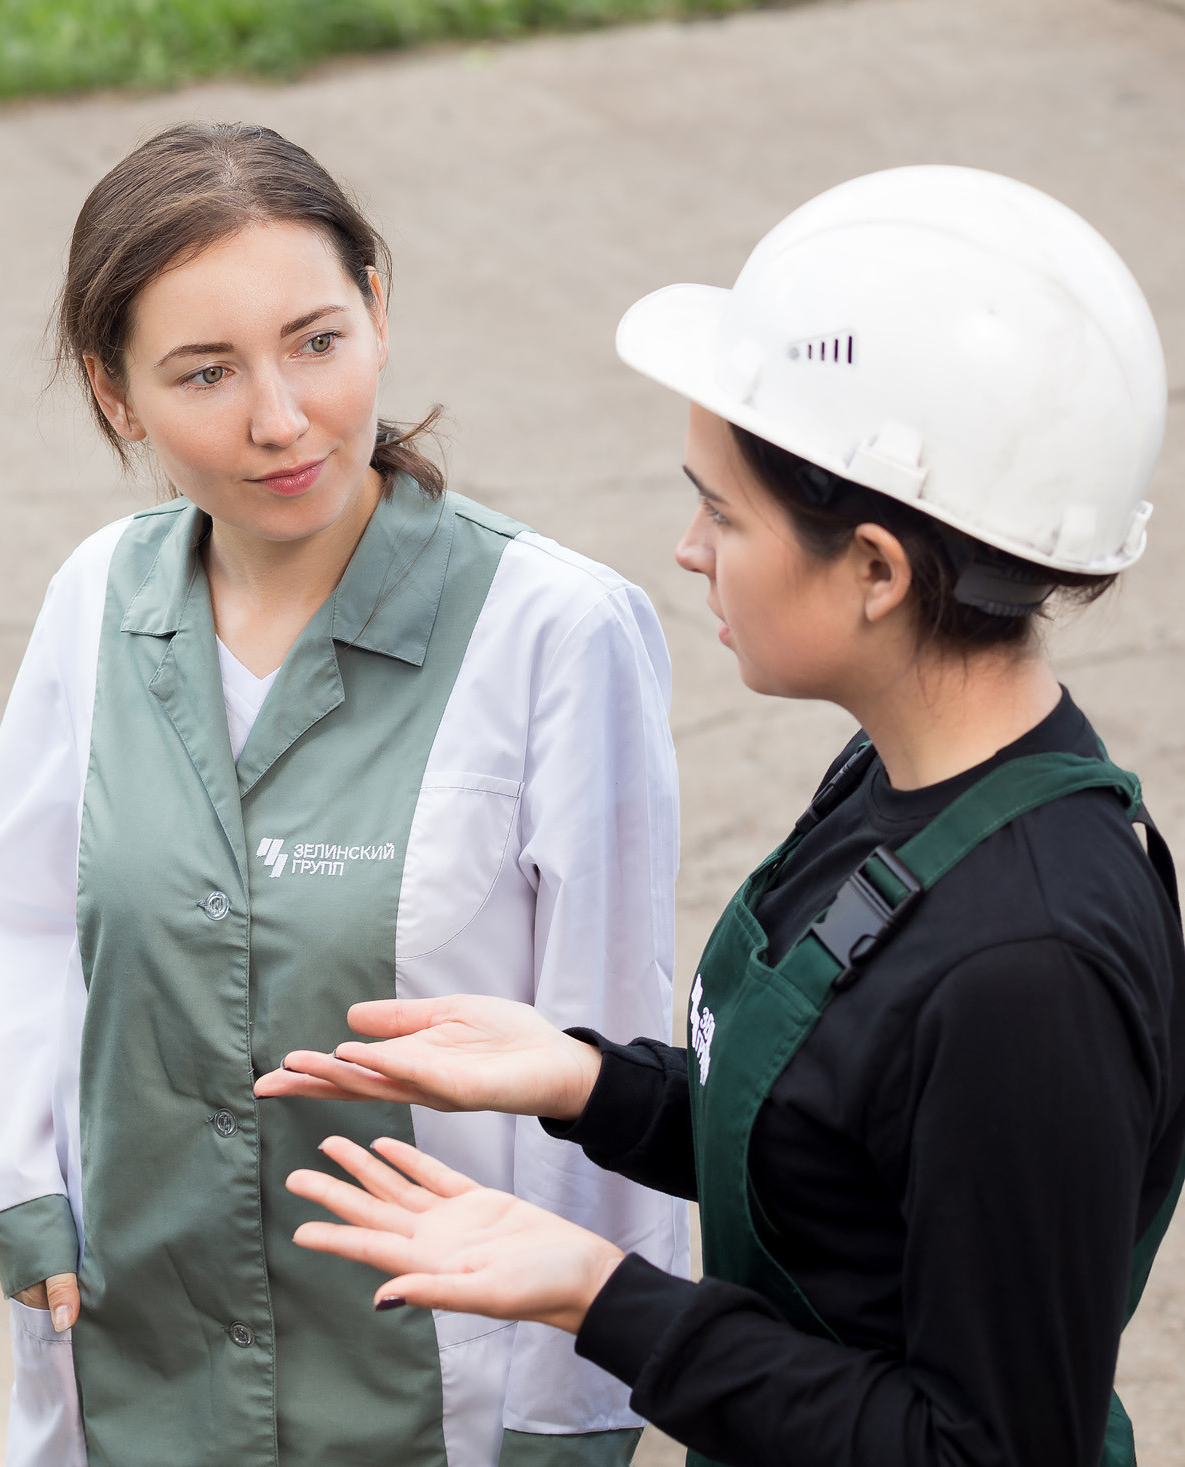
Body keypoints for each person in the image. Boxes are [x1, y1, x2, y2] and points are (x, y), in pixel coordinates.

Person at [260, 166, 1185, 1467]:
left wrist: (598, 1294)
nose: (690, 549)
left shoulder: (1026, 971)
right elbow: (841, 1154)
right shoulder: (905, 783)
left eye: (722, 508)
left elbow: (980, 1450)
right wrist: (586, 1081)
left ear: (874, 568)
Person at [0, 121, 685, 1467]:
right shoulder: (96, 602)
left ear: (380, 313)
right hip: (139, 1366)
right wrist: (20, 1186)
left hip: (437, 1396)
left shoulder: (557, 633)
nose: (281, 419)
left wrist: (577, 1410)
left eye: (316, 341)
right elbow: (32, 922)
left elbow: (611, 1044)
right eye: (205, 372)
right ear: (117, 397)